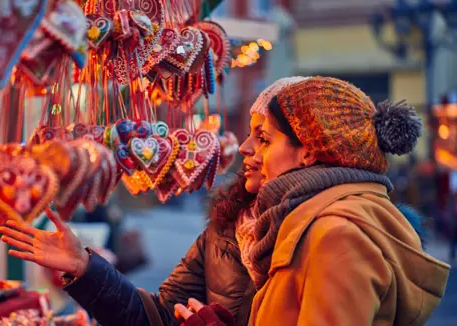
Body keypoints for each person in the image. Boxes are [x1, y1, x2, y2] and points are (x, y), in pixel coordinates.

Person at [0, 77, 309, 326]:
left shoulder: (331, 232)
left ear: (309, 150)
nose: (244, 148)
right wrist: (85, 267)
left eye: (264, 138)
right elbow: (157, 317)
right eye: (250, 134)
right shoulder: (229, 227)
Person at [174, 76, 451, 325]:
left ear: (307, 152)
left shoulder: (337, 236)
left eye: (265, 140)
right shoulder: (309, 222)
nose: (250, 149)